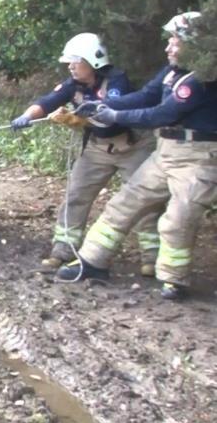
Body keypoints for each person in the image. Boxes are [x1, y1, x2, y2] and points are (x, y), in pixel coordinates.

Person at [58, 12, 216, 300]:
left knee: (179, 218)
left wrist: (114, 113)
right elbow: (146, 96)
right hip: (165, 152)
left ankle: (173, 279)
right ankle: (93, 261)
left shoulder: (200, 79)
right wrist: (100, 104)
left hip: (198, 158)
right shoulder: (172, 72)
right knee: (124, 203)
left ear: (195, 44)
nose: (169, 46)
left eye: (176, 40)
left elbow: (161, 113)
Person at [10, 33, 160, 275]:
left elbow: (112, 121)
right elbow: (48, 101)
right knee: (76, 194)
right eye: (69, 61)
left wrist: (77, 119)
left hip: (132, 147)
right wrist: (27, 117)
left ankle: (152, 257)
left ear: (94, 61)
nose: (70, 66)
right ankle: (63, 249)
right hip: (98, 149)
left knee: (145, 201)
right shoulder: (73, 85)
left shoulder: (116, 82)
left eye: (75, 61)